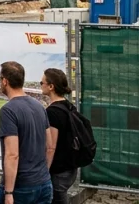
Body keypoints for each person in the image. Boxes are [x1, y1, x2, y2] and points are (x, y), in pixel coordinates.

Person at [0, 61, 53, 204]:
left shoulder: (8, 110)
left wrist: (8, 193)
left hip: (21, 187)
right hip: (44, 183)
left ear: (5, 81)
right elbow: (50, 146)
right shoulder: (39, 106)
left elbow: (12, 154)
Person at [42, 68, 77, 204]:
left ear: (51, 86)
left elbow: (51, 147)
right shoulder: (69, 106)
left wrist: (44, 172)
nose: (40, 85)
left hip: (58, 171)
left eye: (42, 82)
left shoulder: (52, 112)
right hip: (70, 168)